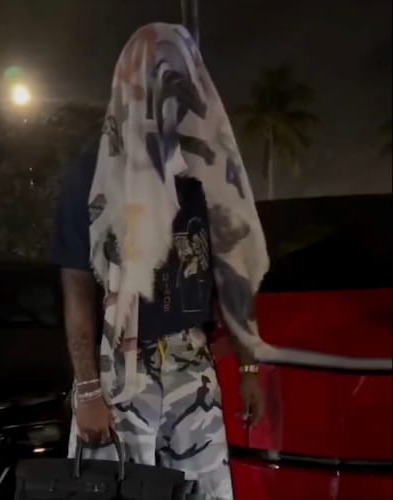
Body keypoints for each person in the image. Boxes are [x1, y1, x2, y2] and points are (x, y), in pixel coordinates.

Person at [52, 23, 269, 500]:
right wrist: (87, 390)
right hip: (122, 367)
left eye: (179, 77)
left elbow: (231, 272)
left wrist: (248, 368)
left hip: (192, 361)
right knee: (119, 491)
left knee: (205, 493)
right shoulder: (94, 172)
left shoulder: (209, 170)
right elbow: (76, 286)